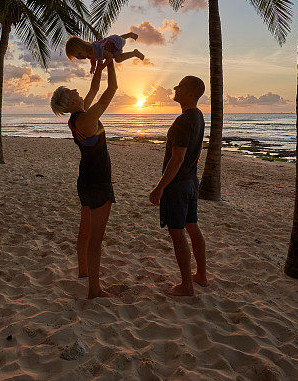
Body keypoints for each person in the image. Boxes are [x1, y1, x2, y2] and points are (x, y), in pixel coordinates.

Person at [50, 57, 118, 298]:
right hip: (98, 180)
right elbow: (111, 90)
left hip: (85, 178)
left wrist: (99, 68)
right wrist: (111, 64)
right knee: (96, 238)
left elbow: (94, 89)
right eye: (72, 91)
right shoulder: (87, 118)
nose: (77, 91)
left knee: (85, 229)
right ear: (69, 100)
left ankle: (83, 272)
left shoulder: (76, 118)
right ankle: (94, 290)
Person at [149, 76, 208, 296]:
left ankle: (186, 285)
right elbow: (197, 151)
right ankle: (201, 275)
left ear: (191, 93)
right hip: (191, 182)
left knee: (177, 232)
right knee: (192, 227)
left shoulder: (184, 121)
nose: (175, 88)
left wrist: (159, 187)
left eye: (180, 86)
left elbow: (177, 159)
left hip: (179, 185)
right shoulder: (198, 116)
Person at [65, 32, 144, 73]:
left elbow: (109, 57)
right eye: (77, 57)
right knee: (119, 39)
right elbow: (92, 59)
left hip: (114, 46)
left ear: (83, 47)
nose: (80, 57)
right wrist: (93, 67)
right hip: (113, 39)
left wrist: (102, 66)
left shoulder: (96, 50)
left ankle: (134, 53)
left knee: (118, 59)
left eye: (79, 54)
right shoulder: (89, 53)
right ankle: (129, 35)